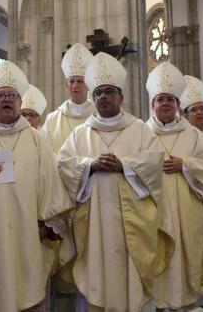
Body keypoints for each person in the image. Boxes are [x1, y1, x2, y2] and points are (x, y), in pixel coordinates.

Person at [58, 52, 174, 312]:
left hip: (131, 226)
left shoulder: (139, 129)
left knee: (130, 281)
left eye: (109, 92)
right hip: (93, 226)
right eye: (98, 92)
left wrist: (125, 166)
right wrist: (89, 165)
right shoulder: (80, 134)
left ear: (121, 97)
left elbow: (155, 162)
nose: (103, 97)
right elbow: (64, 164)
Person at [0, 60, 72, 312]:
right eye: (0, 96)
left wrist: (46, 224)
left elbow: (51, 186)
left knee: (26, 294)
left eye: (11, 96)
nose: (6, 100)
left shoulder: (37, 139)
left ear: (20, 101)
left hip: (28, 233)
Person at [145, 62, 203, 311]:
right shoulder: (141, 134)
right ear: (152, 104)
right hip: (154, 216)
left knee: (186, 269)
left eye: (170, 99)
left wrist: (185, 165)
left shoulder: (194, 135)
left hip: (189, 217)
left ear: (178, 104)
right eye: (160, 99)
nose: (165, 103)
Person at [41, 43, 95, 154]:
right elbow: (45, 154)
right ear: (67, 85)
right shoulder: (52, 120)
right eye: (71, 81)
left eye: (80, 81)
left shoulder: (98, 117)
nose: (75, 85)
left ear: (88, 85)